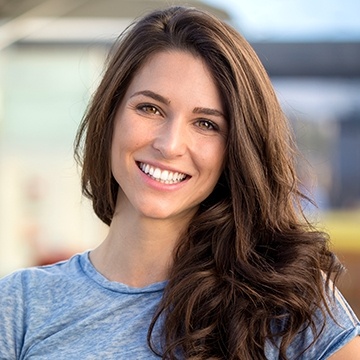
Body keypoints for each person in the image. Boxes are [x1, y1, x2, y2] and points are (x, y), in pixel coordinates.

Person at [0, 6, 359, 360]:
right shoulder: (20, 305)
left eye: (206, 124)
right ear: (110, 113)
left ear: (234, 149)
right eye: (150, 108)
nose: (169, 145)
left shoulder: (288, 301)